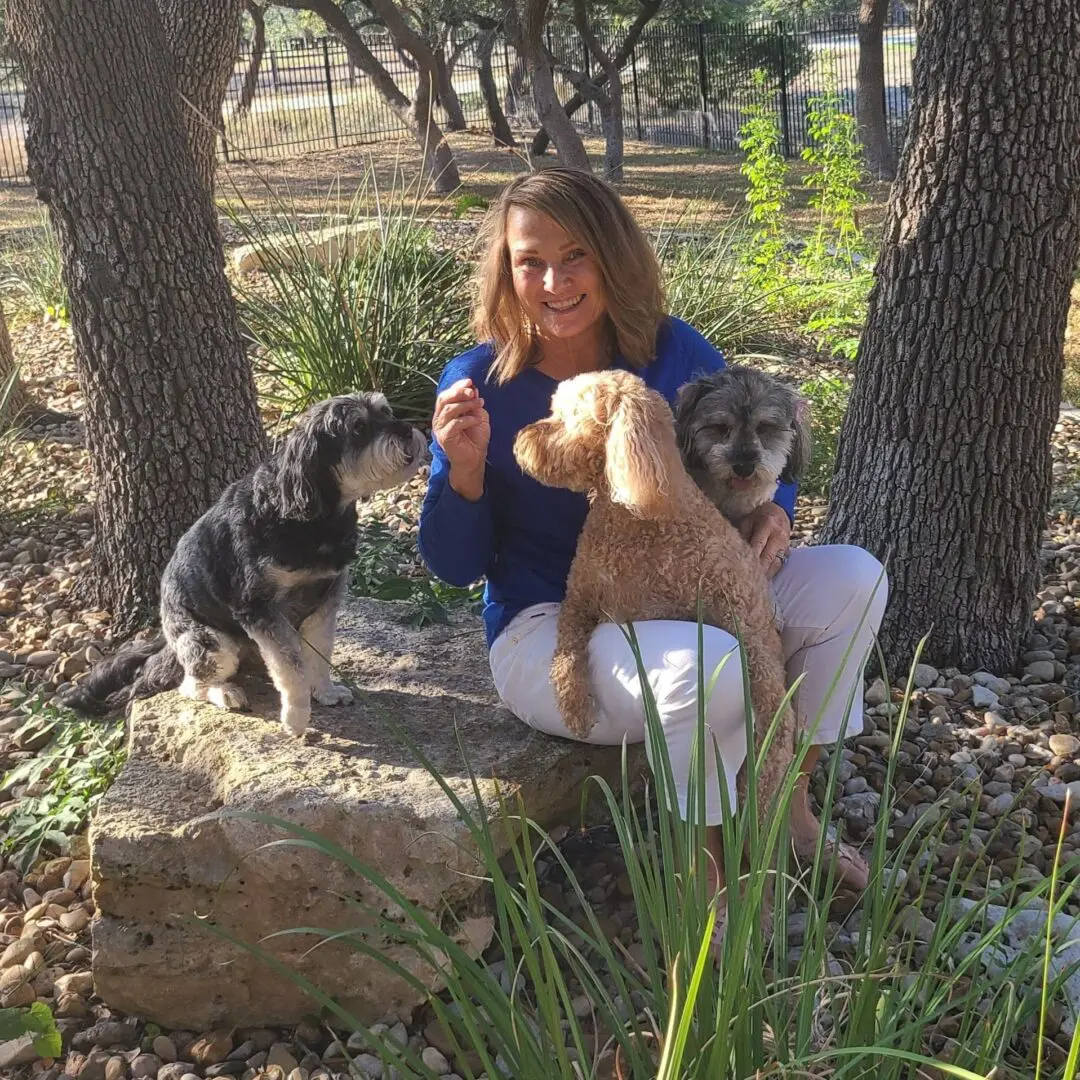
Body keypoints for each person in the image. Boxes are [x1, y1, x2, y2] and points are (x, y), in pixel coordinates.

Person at [417, 166, 887, 900]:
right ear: (506, 273)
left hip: (694, 582)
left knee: (852, 578)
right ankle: (703, 882)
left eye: (576, 255)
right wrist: (466, 473)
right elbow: (451, 565)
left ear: (613, 255)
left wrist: (776, 507)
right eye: (529, 260)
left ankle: (789, 814)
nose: (554, 280)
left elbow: (762, 428)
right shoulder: (482, 382)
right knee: (713, 662)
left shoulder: (673, 352)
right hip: (554, 626)